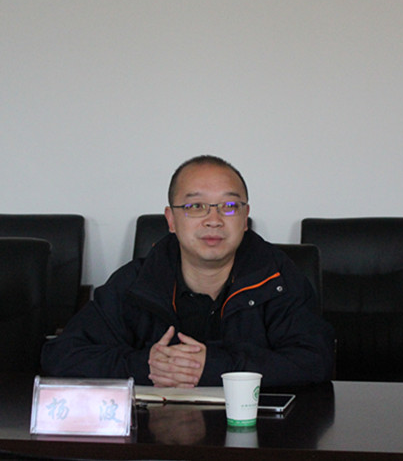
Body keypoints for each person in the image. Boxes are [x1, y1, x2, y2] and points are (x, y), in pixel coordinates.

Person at [41, 155, 334, 387]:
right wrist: (148, 365)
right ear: (171, 220)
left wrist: (214, 366)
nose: (214, 220)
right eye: (195, 206)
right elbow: (61, 356)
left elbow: (316, 361)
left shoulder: (278, 278)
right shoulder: (137, 282)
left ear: (245, 218)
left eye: (229, 206)